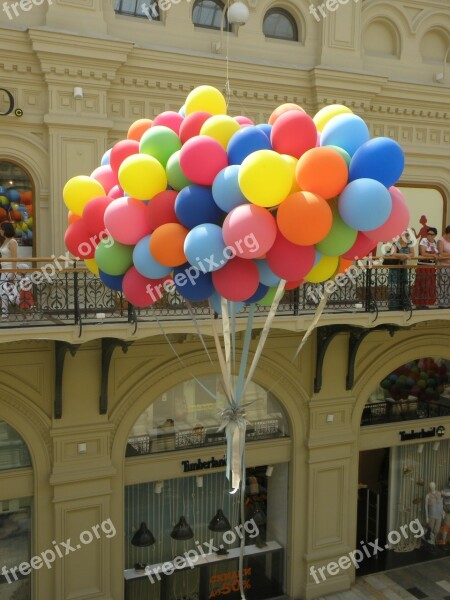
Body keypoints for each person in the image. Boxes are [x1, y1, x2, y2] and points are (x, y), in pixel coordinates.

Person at [385, 232, 415, 310]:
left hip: (403, 267)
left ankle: (403, 303)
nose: (404, 238)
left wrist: (405, 256)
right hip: (395, 268)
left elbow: (413, 253)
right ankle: (393, 305)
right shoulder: (396, 243)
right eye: (403, 236)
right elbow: (393, 253)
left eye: (406, 236)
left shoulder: (409, 243)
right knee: (394, 285)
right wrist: (404, 255)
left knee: (404, 284)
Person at [411, 227, 439, 308]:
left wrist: (435, 257)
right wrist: (433, 255)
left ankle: (426, 302)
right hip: (423, 266)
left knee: (429, 285)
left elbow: (437, 254)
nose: (429, 235)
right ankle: (419, 303)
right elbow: (423, 253)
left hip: (431, 267)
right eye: (428, 234)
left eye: (432, 234)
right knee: (421, 284)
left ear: (435, 235)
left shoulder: (435, 243)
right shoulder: (423, 240)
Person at [0, 222, 18, 320]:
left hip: (9, 270)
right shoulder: (5, 241)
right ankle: (4, 312)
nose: (0, 231)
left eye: (2, 229)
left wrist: (13, 273)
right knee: (3, 292)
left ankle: (28, 306)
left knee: (9, 293)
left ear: (6, 230)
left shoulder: (12, 242)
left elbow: (15, 258)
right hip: (4, 270)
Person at [437, 226, 450, 308]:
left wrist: (447, 253)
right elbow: (441, 254)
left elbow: (445, 253)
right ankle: (442, 303)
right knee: (443, 285)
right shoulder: (441, 241)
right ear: (447, 233)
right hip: (444, 266)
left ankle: (448, 302)